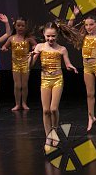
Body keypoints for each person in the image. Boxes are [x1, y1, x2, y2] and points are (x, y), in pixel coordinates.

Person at [30, 22, 78, 152]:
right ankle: (48, 136)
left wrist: (70, 66)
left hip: (57, 80)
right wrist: (31, 57)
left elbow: (67, 63)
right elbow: (30, 66)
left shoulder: (62, 49)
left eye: (53, 36)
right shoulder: (40, 47)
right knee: (46, 110)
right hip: (45, 80)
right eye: (48, 36)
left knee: (53, 108)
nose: (50, 39)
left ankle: (54, 132)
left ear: (57, 35)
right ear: (44, 34)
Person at [1, 16, 37, 111]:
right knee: (17, 85)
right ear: (15, 26)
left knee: (24, 85)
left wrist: (34, 49)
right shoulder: (11, 38)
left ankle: (24, 103)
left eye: (22, 26)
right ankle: (17, 104)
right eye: (18, 25)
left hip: (25, 64)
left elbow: (36, 46)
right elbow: (4, 46)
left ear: (25, 27)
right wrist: (4, 48)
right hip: (15, 64)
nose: (20, 27)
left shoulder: (28, 38)